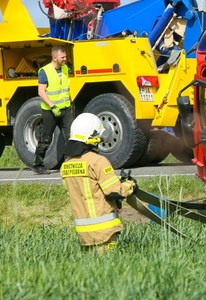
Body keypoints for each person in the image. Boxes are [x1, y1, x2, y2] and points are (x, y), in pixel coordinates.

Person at [60, 113, 137, 254]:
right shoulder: (98, 161)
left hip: (83, 234)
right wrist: (129, 185)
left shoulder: (66, 165)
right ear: (93, 136)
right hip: (104, 231)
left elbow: (89, 187)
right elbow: (113, 191)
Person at [33, 45, 74, 175]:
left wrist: (70, 103)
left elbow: (65, 88)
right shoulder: (45, 71)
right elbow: (41, 92)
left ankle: (70, 164)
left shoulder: (65, 68)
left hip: (65, 109)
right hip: (50, 111)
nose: (65, 59)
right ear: (54, 57)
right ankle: (38, 165)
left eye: (65, 56)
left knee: (71, 136)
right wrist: (52, 106)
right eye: (62, 57)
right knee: (46, 139)